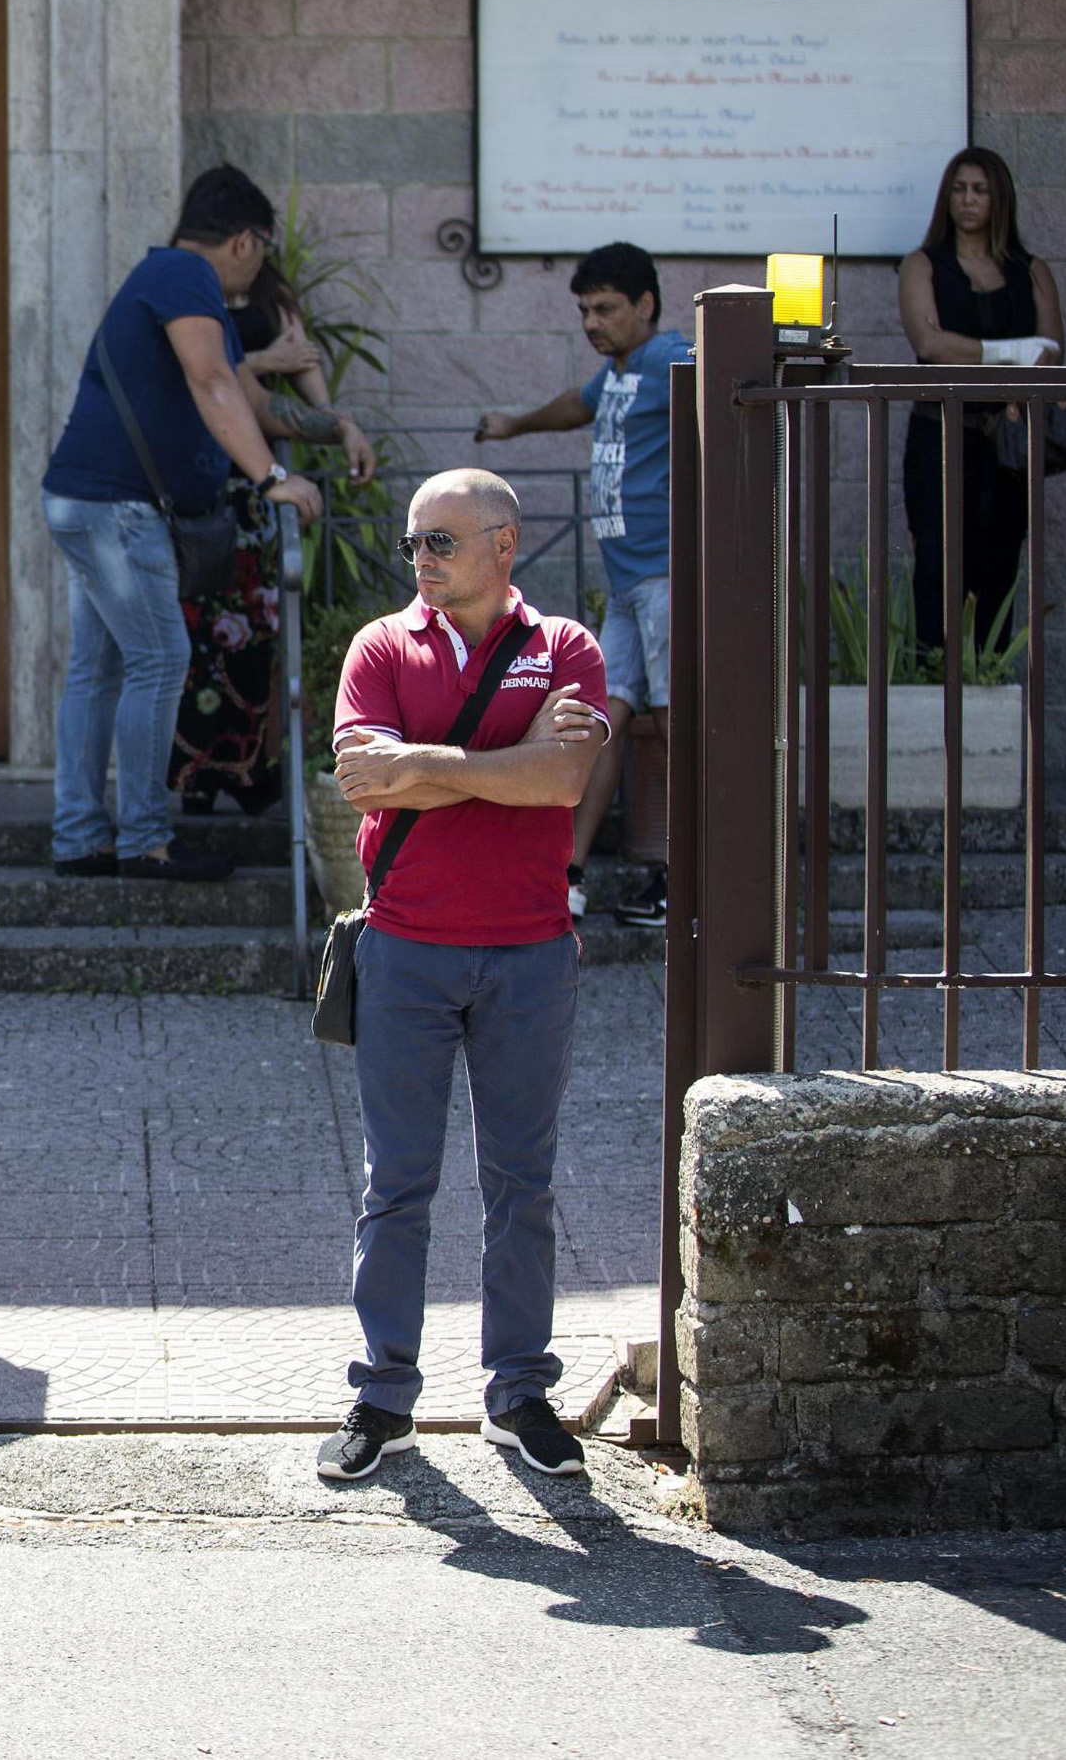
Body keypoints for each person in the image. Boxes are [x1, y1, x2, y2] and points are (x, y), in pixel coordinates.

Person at [319, 468, 610, 1486]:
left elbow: (563, 779)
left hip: (529, 949)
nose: (420, 561)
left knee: (519, 1184)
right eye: (412, 543)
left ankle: (517, 1390)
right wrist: (500, 764)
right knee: (394, 1184)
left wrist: (428, 766)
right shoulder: (379, 645)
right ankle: (382, 1394)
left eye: (440, 541)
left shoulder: (563, 646)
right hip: (404, 947)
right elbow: (363, 775)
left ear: (502, 545)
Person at [42, 163, 324, 884]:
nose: (262, 262)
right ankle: (143, 839)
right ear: (244, 240)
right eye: (264, 247)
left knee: (99, 670)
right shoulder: (183, 276)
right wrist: (274, 478)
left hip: (90, 501)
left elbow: (254, 400)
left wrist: (337, 428)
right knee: (159, 660)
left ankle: (80, 835)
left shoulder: (177, 284)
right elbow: (213, 383)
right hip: (117, 509)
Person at [475, 241, 688, 928]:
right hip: (627, 584)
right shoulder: (619, 371)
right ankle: (566, 876)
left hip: (664, 576)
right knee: (601, 721)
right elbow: (579, 404)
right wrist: (515, 425)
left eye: (606, 309)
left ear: (645, 306)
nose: (592, 322)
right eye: (584, 310)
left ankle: (685, 880)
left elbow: (723, 372)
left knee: (676, 724)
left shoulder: (667, 357)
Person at [172, 269, 378, 817]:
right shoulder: (191, 295)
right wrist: (264, 365)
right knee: (198, 637)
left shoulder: (272, 296)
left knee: (258, 629)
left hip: (261, 483)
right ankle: (195, 775)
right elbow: (199, 375)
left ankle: (249, 771)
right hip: (205, 475)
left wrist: (340, 424)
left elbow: (308, 373)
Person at [896, 145, 1064, 656]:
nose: (968, 200)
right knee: (937, 564)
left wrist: (976, 353)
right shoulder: (923, 265)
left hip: (1008, 445)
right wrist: (1010, 352)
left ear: (1000, 199)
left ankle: (985, 679)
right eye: (959, 188)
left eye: (981, 190)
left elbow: (1052, 354)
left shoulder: (1030, 270)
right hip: (939, 440)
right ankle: (933, 683)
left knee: (999, 564)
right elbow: (929, 345)